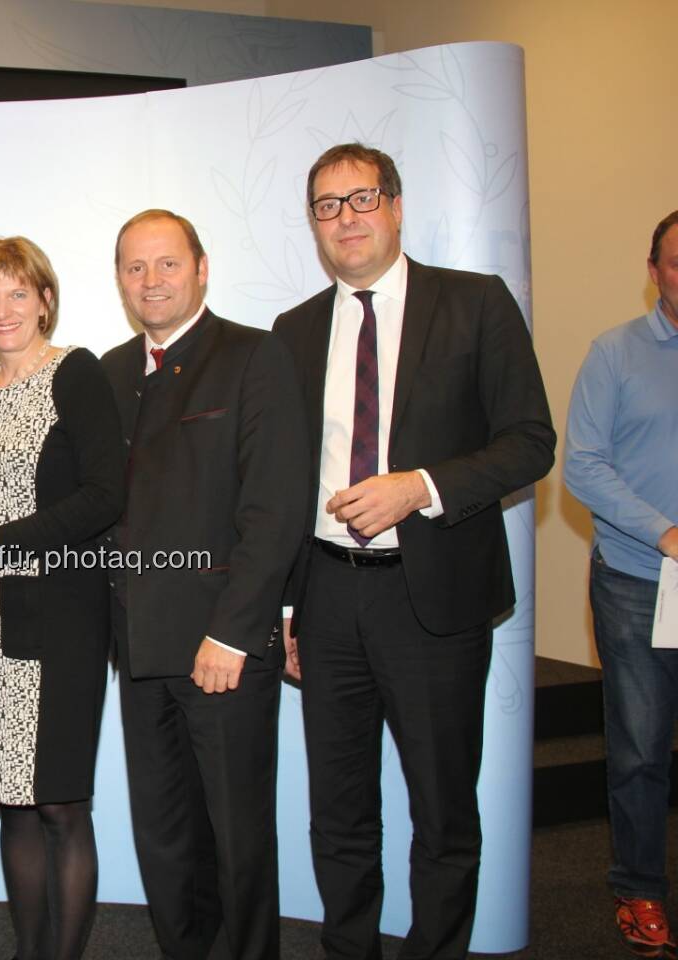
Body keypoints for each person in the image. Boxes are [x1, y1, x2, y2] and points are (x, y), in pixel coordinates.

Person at [271, 143, 555, 960]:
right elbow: (288, 483)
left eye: (361, 199)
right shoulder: (294, 331)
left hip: (431, 596)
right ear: (315, 225)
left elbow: (530, 441)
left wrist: (420, 485)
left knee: (441, 809)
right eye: (328, 205)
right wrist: (288, 605)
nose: (346, 218)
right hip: (326, 598)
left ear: (395, 206)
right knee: (341, 809)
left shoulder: (473, 303)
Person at [100, 209, 307, 960]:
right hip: (136, 646)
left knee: (238, 834)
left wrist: (233, 632)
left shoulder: (255, 357)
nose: (150, 281)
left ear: (202, 267)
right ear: (119, 279)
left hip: (220, 647)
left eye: (166, 264)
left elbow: (275, 509)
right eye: (134, 267)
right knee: (163, 833)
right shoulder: (110, 372)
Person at [0, 236, 124, 960]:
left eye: (18, 292)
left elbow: (105, 497)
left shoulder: (74, 374)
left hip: (61, 623)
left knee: (57, 802)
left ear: (45, 299)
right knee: (10, 801)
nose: (3, 308)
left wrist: (0, 541)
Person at [563, 209, 678, 958]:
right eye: (676, 262)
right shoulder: (615, 353)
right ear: (655, 269)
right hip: (643, 581)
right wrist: (666, 534)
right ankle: (639, 888)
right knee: (640, 748)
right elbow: (582, 465)